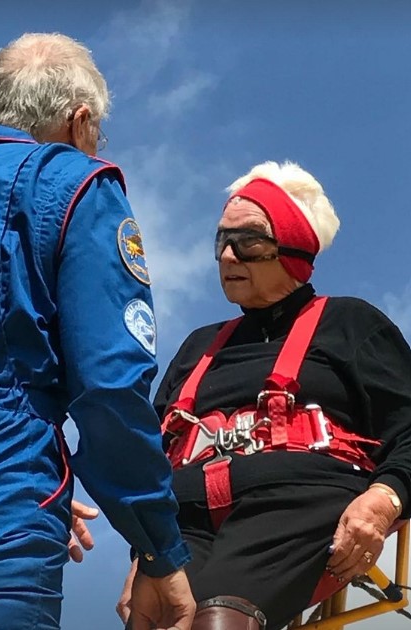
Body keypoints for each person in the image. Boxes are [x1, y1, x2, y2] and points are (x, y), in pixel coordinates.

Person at [0, 32, 195, 630]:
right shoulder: (70, 180)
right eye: (98, 130)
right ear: (80, 120)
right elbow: (109, 385)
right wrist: (158, 546)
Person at [118, 160, 411, 630]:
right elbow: (153, 454)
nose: (228, 257)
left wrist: (383, 500)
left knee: (217, 621)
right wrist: (147, 551)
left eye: (248, 241)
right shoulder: (199, 346)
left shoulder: (351, 324)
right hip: (183, 522)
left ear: (293, 249)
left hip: (293, 508)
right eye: (222, 242)